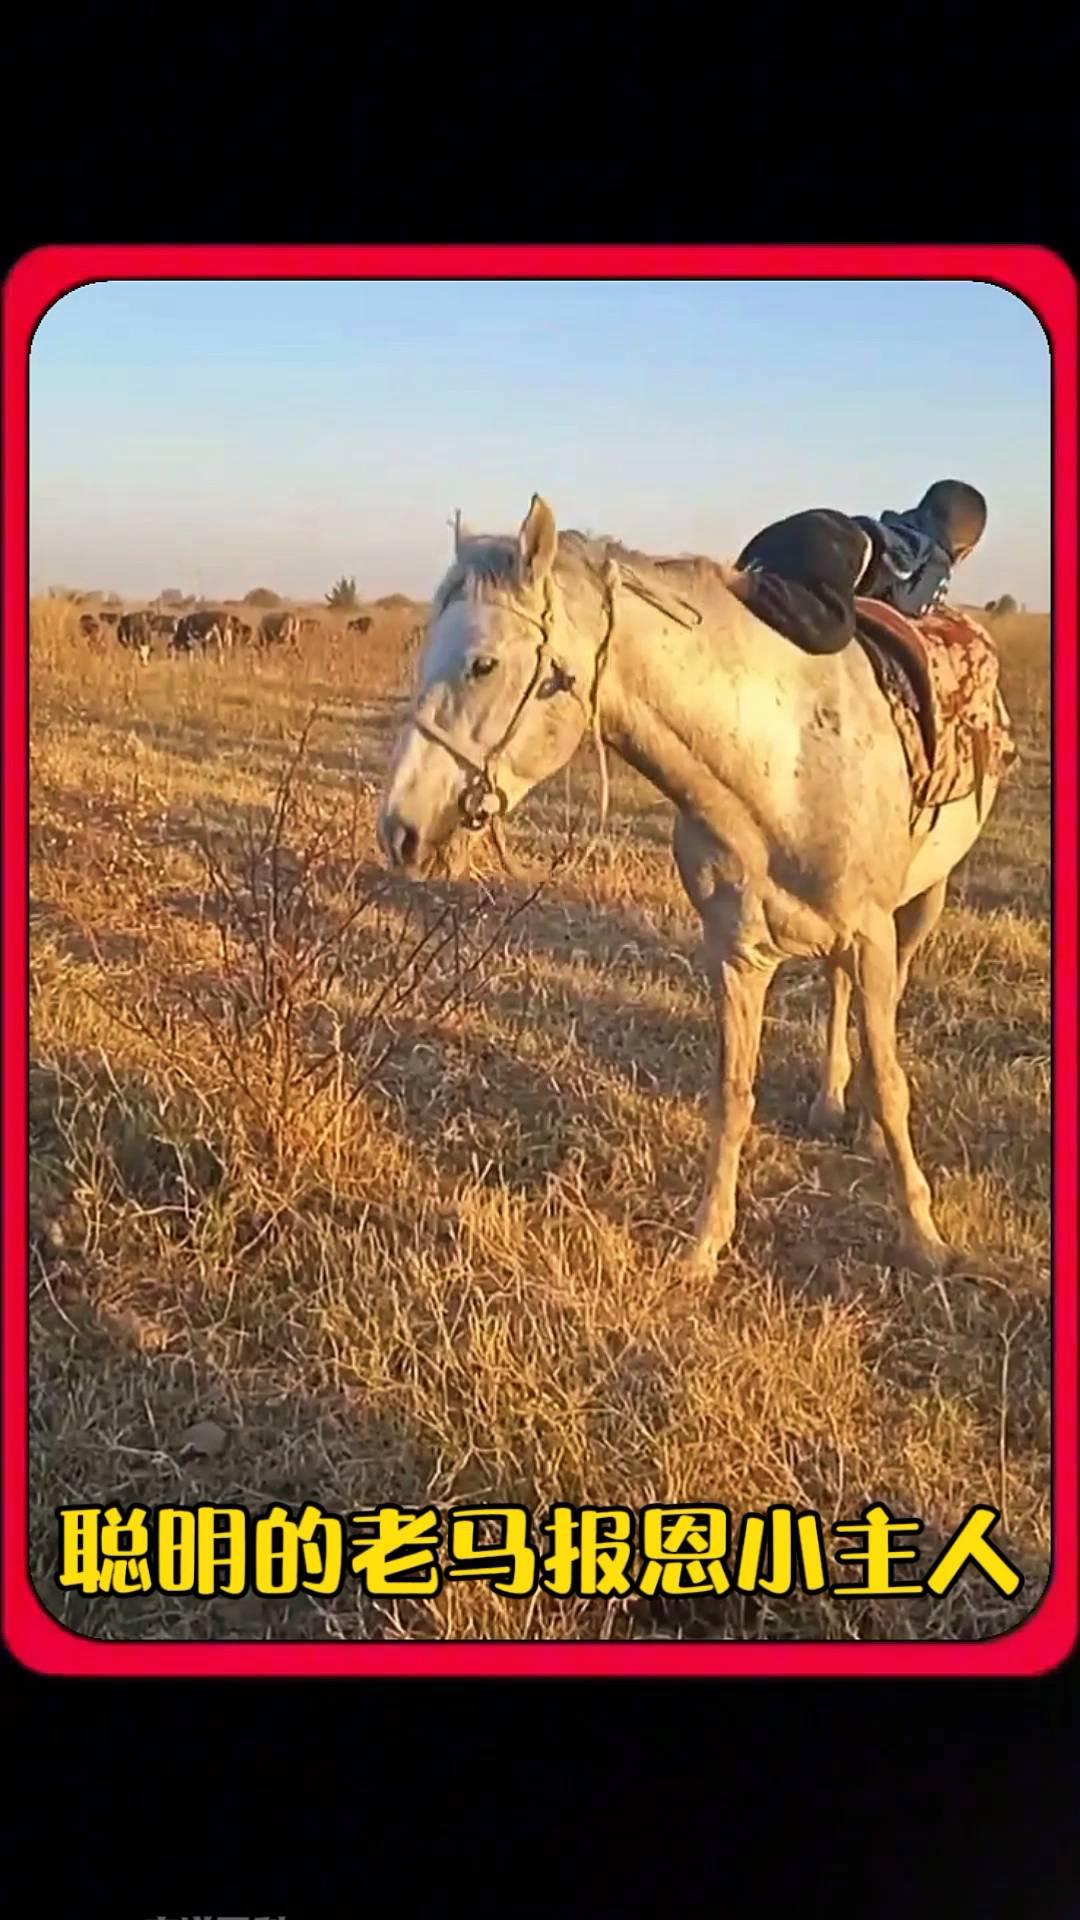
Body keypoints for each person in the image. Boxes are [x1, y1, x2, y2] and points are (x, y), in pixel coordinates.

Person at [734, 480, 987, 656]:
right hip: (841, 547)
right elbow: (907, 604)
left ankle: (741, 578)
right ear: (964, 552)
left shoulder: (897, 530)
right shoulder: (936, 560)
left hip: (811, 527)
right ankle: (740, 583)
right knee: (834, 628)